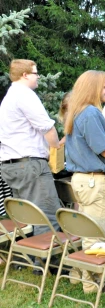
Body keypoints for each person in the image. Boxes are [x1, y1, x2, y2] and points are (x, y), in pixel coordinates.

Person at [64, 70, 105, 294]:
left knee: (86, 230)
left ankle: (77, 276)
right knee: (96, 234)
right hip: (93, 181)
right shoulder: (89, 113)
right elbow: (104, 149)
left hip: (81, 180)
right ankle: (93, 284)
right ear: (93, 89)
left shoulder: (78, 111)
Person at [0, 59, 62, 235]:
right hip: (30, 164)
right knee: (47, 217)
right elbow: (47, 128)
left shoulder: (9, 97)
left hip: (12, 165)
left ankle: (27, 259)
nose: (39, 76)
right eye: (36, 73)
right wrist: (55, 153)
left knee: (28, 218)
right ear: (25, 75)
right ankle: (43, 262)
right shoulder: (24, 94)